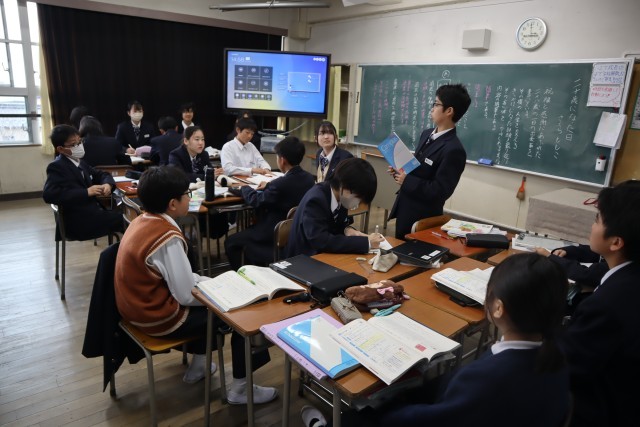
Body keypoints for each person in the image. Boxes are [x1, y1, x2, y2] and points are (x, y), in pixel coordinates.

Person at [302, 253, 570, 427]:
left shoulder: (488, 378)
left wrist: (386, 410)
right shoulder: (557, 358)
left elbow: (430, 420)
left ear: (498, 308)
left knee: (356, 417)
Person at [113, 166, 278, 404]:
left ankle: (200, 365)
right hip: (157, 316)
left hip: (136, 309)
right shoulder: (166, 236)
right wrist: (228, 291)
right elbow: (186, 294)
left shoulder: (143, 219)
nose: (190, 198)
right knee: (243, 312)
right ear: (172, 204)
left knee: (210, 300)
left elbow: (181, 279)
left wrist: (216, 282)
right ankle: (240, 388)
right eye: (187, 194)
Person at [559, 180, 640, 427]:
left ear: (616, 242)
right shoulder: (627, 277)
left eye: (597, 219)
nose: (592, 226)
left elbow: (565, 366)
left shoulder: (606, 305)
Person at [388, 83, 471, 239]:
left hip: (423, 216)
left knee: (412, 252)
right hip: (405, 207)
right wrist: (399, 169)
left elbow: (440, 191)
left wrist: (407, 180)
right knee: (399, 247)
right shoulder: (426, 134)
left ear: (449, 111)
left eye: (436, 104)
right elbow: (418, 168)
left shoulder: (454, 150)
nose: (432, 108)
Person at [224, 136, 315, 270]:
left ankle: (245, 275)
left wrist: (244, 188)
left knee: (231, 242)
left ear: (282, 160)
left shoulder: (279, 184)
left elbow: (256, 201)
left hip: (271, 232)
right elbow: (285, 190)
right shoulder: (309, 179)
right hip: (295, 233)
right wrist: (268, 186)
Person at [286, 157, 383, 257]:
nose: (357, 203)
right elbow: (320, 240)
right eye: (358, 197)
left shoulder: (340, 197)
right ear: (344, 185)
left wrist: (348, 230)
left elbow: (338, 226)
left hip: (324, 254)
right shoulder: (316, 199)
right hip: (304, 258)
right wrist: (366, 243)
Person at [42, 124, 124, 240]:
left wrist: (108, 184)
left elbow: (102, 174)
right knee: (127, 220)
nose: (79, 146)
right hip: (78, 222)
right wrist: (86, 192)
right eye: (73, 144)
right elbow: (49, 195)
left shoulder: (78, 161)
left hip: (92, 213)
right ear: (60, 149)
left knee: (125, 217)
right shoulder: (57, 166)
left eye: (80, 142)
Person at [168, 126, 228, 240]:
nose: (201, 143)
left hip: (203, 194)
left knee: (219, 207)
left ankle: (209, 232)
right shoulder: (175, 155)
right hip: (185, 195)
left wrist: (215, 174)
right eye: (197, 139)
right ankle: (197, 233)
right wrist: (207, 176)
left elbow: (209, 172)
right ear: (186, 141)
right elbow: (180, 176)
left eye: (203, 139)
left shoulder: (204, 155)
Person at [534, 244, 608, 314]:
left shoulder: (613, 266)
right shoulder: (608, 252)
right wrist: (566, 251)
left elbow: (585, 274)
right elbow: (589, 251)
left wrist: (550, 257)